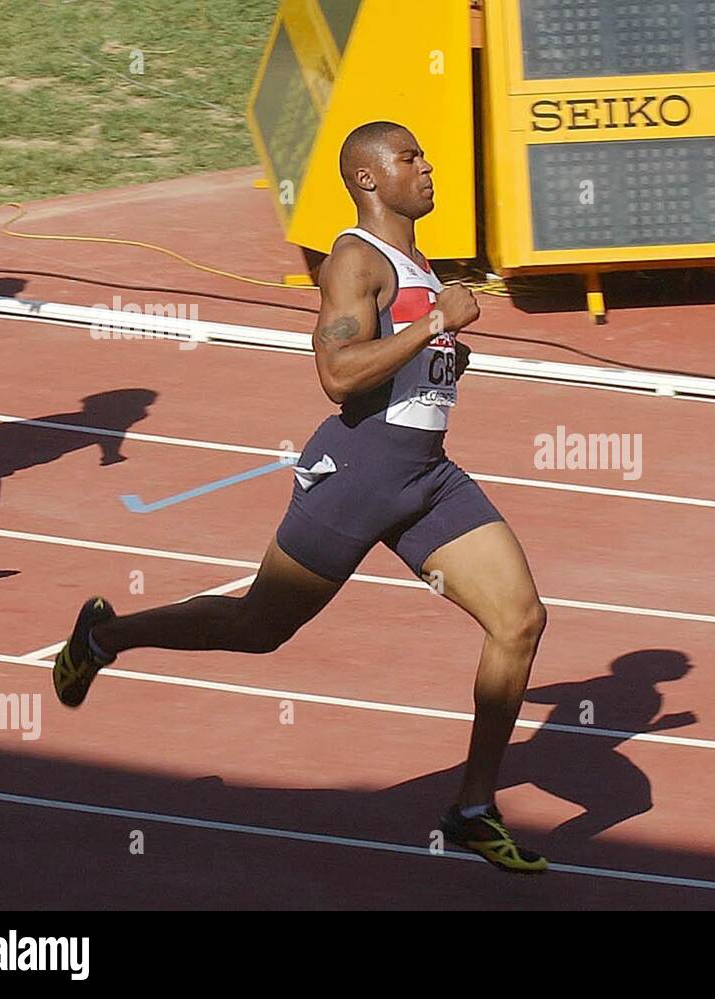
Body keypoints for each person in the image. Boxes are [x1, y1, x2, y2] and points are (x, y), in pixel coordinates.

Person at [52, 121, 550, 873]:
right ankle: (104, 637)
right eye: (410, 156)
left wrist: (445, 353)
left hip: (425, 476)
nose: (429, 166)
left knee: (519, 620)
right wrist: (439, 324)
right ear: (368, 180)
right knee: (259, 626)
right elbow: (339, 375)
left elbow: (406, 365)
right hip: (358, 473)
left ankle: (473, 807)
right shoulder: (356, 260)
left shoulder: (418, 261)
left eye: (425, 152)